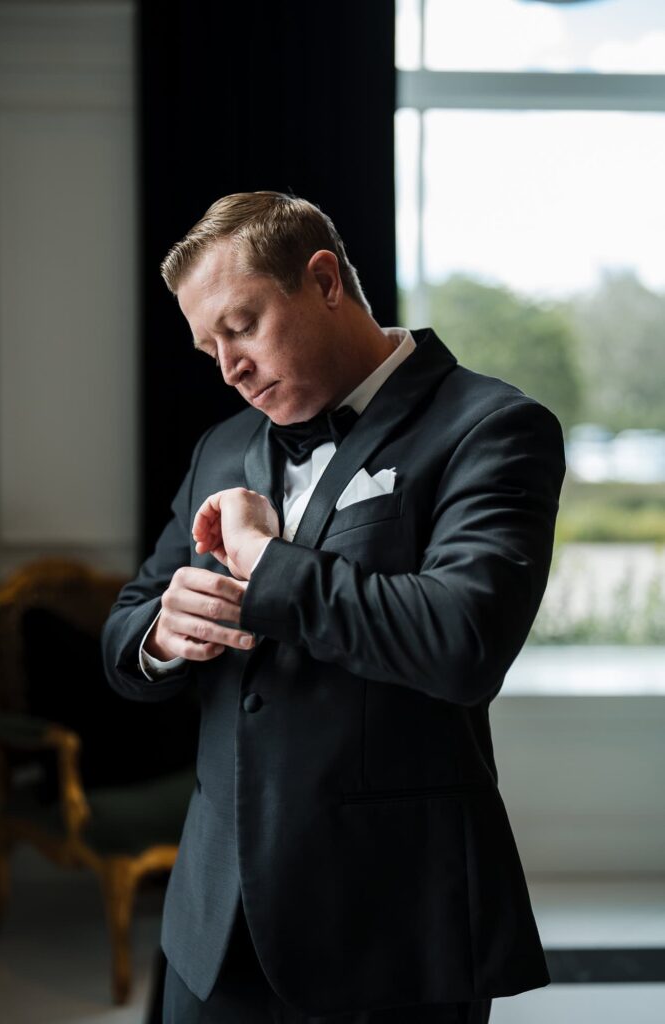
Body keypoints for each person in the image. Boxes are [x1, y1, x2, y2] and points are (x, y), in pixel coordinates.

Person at [102, 191, 565, 1024]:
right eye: (209, 348)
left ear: (323, 281)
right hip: (215, 928)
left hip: (393, 925)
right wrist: (163, 632)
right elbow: (129, 622)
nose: (229, 368)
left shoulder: (494, 426)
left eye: (240, 327)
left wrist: (260, 560)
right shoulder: (222, 447)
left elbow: (462, 640)